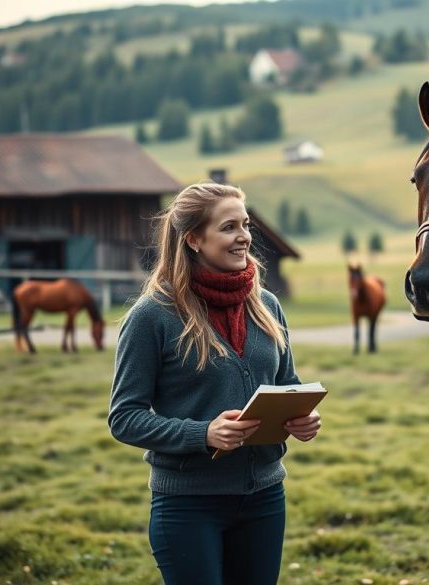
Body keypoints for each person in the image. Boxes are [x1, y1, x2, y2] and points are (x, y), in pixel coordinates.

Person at [108, 182, 321, 585]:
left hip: (264, 498)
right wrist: (203, 433)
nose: (244, 237)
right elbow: (124, 418)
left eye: (245, 225)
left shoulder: (267, 306)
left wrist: (302, 417)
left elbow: (286, 382)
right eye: (229, 227)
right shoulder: (152, 316)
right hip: (188, 505)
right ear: (193, 239)